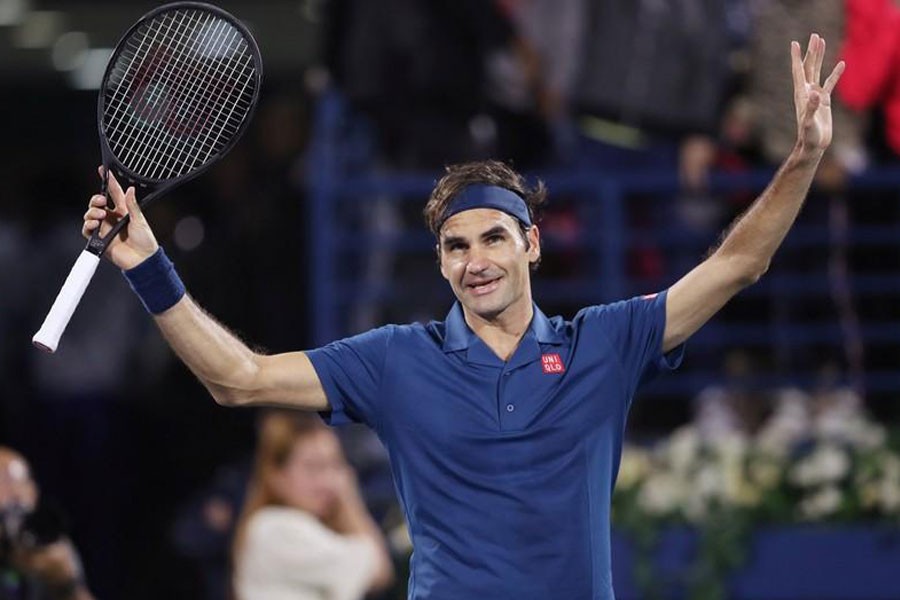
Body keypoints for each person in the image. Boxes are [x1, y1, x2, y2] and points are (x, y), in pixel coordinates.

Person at [81, 35, 843, 599]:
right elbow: (238, 380)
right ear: (441, 262)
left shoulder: (605, 343)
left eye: (492, 239)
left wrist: (803, 157)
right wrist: (149, 265)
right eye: (455, 246)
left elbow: (739, 263)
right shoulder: (394, 359)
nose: (474, 259)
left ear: (531, 245)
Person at [231, 411, 394, 600]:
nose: (329, 481)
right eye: (313, 467)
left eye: (335, 465)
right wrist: (349, 498)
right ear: (276, 474)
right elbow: (378, 570)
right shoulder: (273, 528)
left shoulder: (310, 527)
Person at [0, 447, 95, 600]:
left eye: (20, 481)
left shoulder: (46, 548)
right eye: (2, 481)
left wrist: (67, 586)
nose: (14, 493)